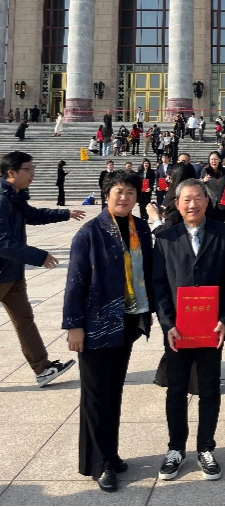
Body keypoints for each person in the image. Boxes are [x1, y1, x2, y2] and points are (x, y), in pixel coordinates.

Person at [63, 170, 154, 493]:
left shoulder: (140, 228)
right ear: (106, 195)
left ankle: (110, 454)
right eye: (118, 191)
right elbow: (75, 282)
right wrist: (74, 326)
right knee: (96, 395)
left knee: (113, 391)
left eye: (130, 192)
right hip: (96, 325)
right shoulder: (89, 233)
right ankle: (100, 464)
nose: (124, 197)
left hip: (128, 321)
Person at [153, 179, 225, 483]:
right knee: (176, 390)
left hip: (212, 329)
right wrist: (168, 324)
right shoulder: (165, 237)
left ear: (207, 201)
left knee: (209, 390)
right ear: (177, 204)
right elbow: (159, 286)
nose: (192, 204)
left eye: (198, 198)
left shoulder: (224, 234)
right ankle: (175, 449)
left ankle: (206, 448)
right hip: (178, 331)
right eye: (186, 199)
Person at [0, 152, 84, 388]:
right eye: (28, 169)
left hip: (12, 274)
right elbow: (2, 242)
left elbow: (33, 215)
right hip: (2, 272)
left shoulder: (14, 195)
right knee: (24, 320)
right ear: (11, 172)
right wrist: (39, 256)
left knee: (24, 320)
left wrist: (65, 213)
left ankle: (43, 368)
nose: (33, 173)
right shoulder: (2, 199)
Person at [202, 151, 225, 223]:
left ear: (220, 160)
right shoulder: (205, 170)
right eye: (211, 159)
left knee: (220, 224)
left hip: (222, 203)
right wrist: (203, 180)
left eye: (215, 159)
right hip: (209, 203)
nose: (213, 161)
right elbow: (198, 183)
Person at [137, 158, 156, 222]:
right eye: (145, 163)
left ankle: (146, 217)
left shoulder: (151, 172)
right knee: (141, 204)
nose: (146, 164)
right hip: (141, 190)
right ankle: (142, 217)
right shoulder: (139, 172)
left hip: (148, 190)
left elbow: (152, 181)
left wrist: (150, 188)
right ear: (143, 164)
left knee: (147, 204)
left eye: (147, 163)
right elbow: (138, 181)